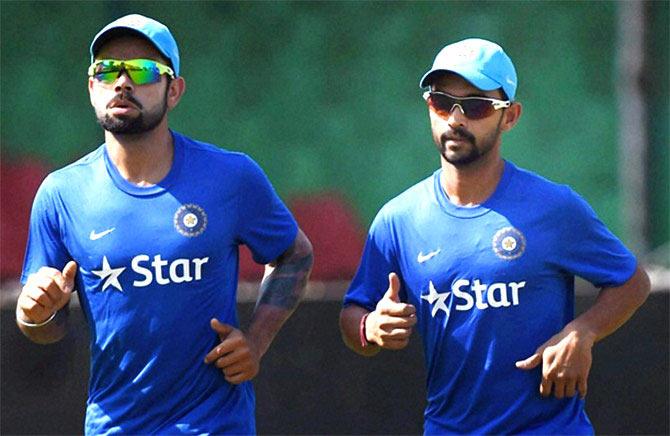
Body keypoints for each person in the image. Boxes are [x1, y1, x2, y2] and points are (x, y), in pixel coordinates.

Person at [16, 14, 313, 435]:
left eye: (142, 70)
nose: (122, 83)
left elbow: (294, 255)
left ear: (173, 91)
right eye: (106, 71)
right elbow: (46, 326)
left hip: (215, 424)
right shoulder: (60, 194)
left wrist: (256, 342)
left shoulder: (231, 176)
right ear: (91, 88)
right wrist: (34, 315)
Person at [339, 38, 650, 434]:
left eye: (476, 106)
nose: (455, 119)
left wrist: (582, 331)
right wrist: (370, 327)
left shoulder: (553, 208)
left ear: (510, 116)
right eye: (441, 102)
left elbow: (631, 281)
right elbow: (352, 316)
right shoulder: (398, 220)